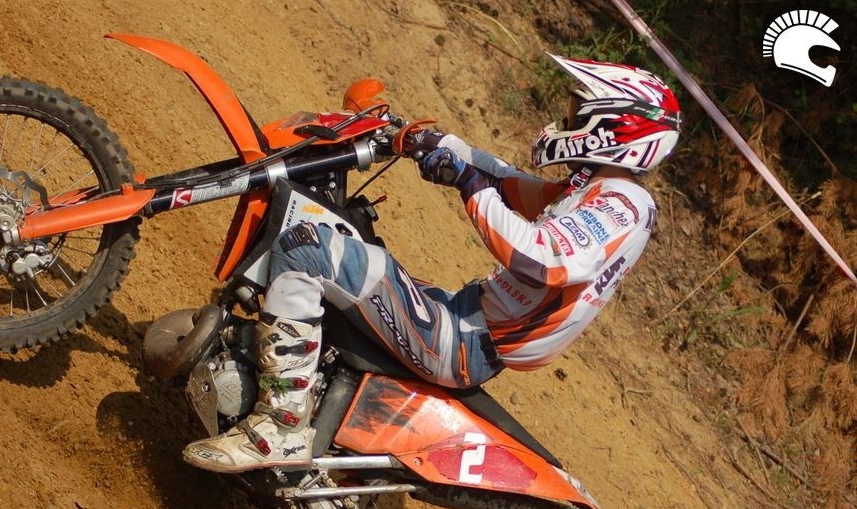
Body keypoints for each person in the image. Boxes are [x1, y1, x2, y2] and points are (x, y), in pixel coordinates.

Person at [182, 55, 682, 473]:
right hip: (465, 318)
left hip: (462, 340)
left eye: (576, 113)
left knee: (308, 248)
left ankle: (280, 430)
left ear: (613, 128)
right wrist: (439, 146)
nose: (565, 122)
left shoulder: (623, 204)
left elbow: (539, 257)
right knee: (352, 234)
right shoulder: (598, 188)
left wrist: (467, 182)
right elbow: (510, 183)